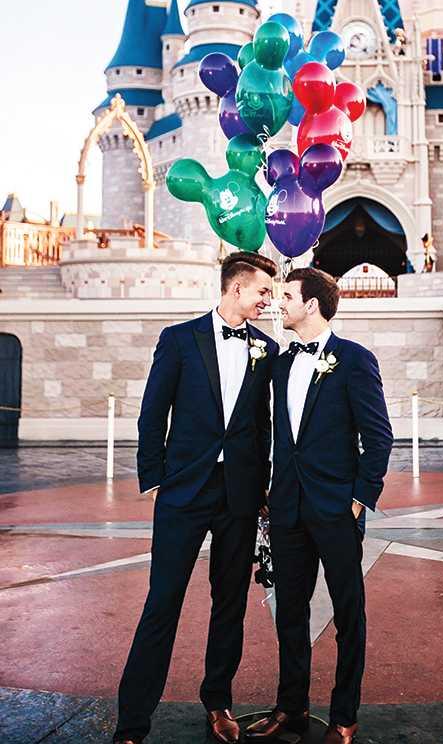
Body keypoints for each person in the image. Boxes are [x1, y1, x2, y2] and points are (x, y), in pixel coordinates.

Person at [113, 251, 279, 744]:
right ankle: (132, 721)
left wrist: (263, 484)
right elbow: (152, 413)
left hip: (240, 496)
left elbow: (261, 425)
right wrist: (156, 480)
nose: (267, 299)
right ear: (236, 289)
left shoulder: (266, 349)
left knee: (229, 602)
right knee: (162, 600)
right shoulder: (179, 339)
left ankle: (219, 702)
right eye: (263, 291)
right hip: (184, 492)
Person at [246, 268, 393, 744]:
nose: (279, 304)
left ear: (312, 305)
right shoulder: (282, 362)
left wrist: (358, 500)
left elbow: (379, 438)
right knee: (289, 612)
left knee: (349, 615)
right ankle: (291, 707)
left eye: (287, 296)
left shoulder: (354, 360)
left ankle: (345, 717)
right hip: (286, 509)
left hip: (336, 510)